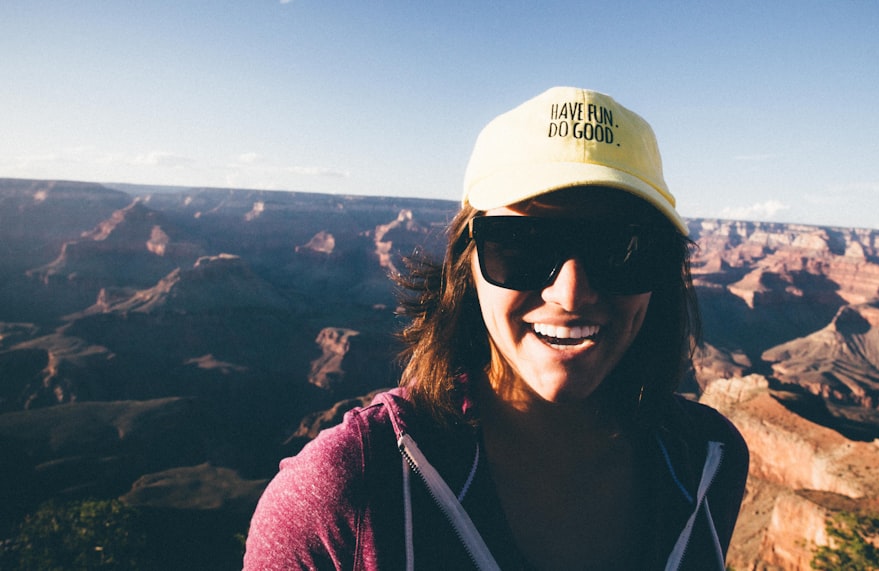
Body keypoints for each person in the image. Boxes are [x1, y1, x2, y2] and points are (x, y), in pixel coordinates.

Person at [243, 86, 748, 570]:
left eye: (623, 250)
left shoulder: (707, 462)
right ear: (466, 263)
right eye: (522, 244)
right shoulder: (344, 496)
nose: (570, 295)